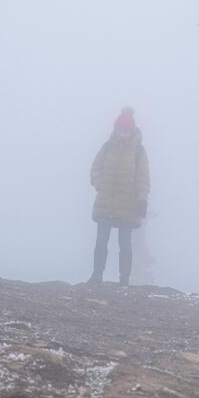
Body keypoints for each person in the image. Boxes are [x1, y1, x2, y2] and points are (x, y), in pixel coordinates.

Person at [87, 108, 150, 285]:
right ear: (115, 130)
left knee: (125, 243)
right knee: (101, 240)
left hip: (128, 205)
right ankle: (96, 275)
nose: (123, 134)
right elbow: (95, 169)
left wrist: (142, 199)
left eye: (126, 131)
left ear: (131, 131)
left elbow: (142, 178)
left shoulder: (139, 152)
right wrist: (99, 183)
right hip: (105, 202)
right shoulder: (107, 148)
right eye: (120, 130)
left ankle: (124, 281)